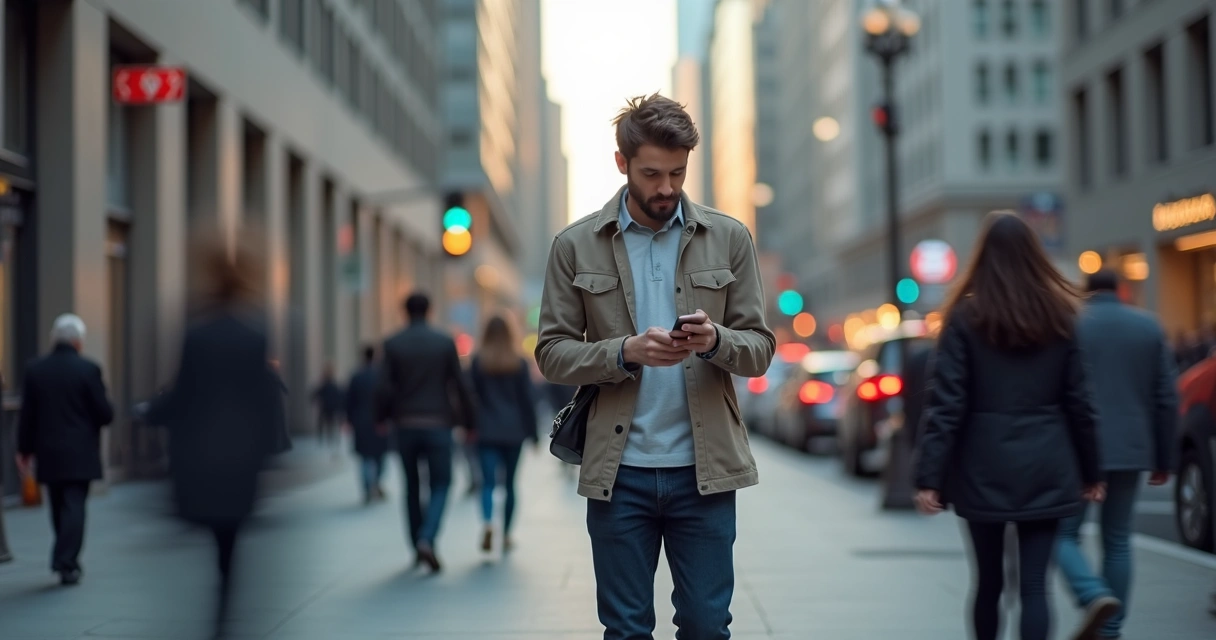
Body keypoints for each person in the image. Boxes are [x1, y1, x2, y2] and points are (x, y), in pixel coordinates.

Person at [534, 93, 775, 639]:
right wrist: (623, 352)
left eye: (677, 172)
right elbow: (551, 352)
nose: (666, 187)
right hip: (620, 475)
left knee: (707, 626)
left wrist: (715, 340)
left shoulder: (730, 237)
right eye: (651, 173)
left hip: (705, 472)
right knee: (625, 630)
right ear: (621, 163)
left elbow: (760, 348)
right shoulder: (574, 245)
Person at [913, 211, 1105, 640]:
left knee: (988, 583)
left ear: (982, 257)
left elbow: (947, 404)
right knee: (1036, 585)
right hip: (1047, 463)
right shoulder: (1059, 314)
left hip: (983, 465)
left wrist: (930, 477)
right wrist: (1092, 471)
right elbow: (1080, 400)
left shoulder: (964, 318)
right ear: (1033, 255)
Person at [141, 221, 283, 637]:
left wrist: (151, 412)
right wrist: (268, 452)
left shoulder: (196, 332)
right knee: (230, 545)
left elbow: (183, 395)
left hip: (199, 456)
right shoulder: (255, 333)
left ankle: (217, 616)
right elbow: (264, 400)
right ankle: (223, 617)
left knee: (207, 539)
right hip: (241, 459)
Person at [1055, 268, 1178, 639]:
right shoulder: (1148, 326)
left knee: (1063, 534)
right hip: (1131, 445)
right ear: (1120, 290)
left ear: (1086, 291)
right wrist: (1164, 457)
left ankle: (1091, 593)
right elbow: (1166, 398)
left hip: (1077, 448)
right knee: (1118, 539)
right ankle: (1110, 629)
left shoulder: (1070, 324)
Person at [376, 292, 476, 572]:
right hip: (438, 424)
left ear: (404, 312)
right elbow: (460, 384)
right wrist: (470, 423)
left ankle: (416, 543)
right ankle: (428, 537)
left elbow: (384, 387)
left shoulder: (393, 343)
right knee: (441, 483)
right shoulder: (444, 343)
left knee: (411, 487)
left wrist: (380, 418)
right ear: (429, 310)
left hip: (405, 423)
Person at [16, 314, 114, 586]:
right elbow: (105, 414)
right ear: (78, 342)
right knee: (74, 506)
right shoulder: (89, 369)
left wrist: (24, 449)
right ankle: (67, 561)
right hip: (80, 451)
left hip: (48, 451)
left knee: (58, 506)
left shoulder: (35, 369)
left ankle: (64, 558)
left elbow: (28, 415)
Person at [467, 315, 538, 553]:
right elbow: (527, 401)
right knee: (510, 484)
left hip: (486, 430)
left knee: (487, 483)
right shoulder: (519, 363)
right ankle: (506, 534)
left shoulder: (478, 362)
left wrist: (468, 426)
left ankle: (488, 523)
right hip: (513, 430)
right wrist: (534, 433)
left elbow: (469, 397)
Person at [346, 345, 388, 504]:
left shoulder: (357, 376)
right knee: (379, 456)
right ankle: (376, 483)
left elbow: (349, 399)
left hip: (361, 421)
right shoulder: (381, 375)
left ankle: (367, 488)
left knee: (364, 457)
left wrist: (349, 419)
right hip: (379, 421)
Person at [311, 364, 344, 447]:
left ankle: (325, 438)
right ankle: (329, 438)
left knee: (326, 423)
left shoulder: (327, 385)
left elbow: (316, 394)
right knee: (329, 423)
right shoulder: (331, 385)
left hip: (327, 407)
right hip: (330, 407)